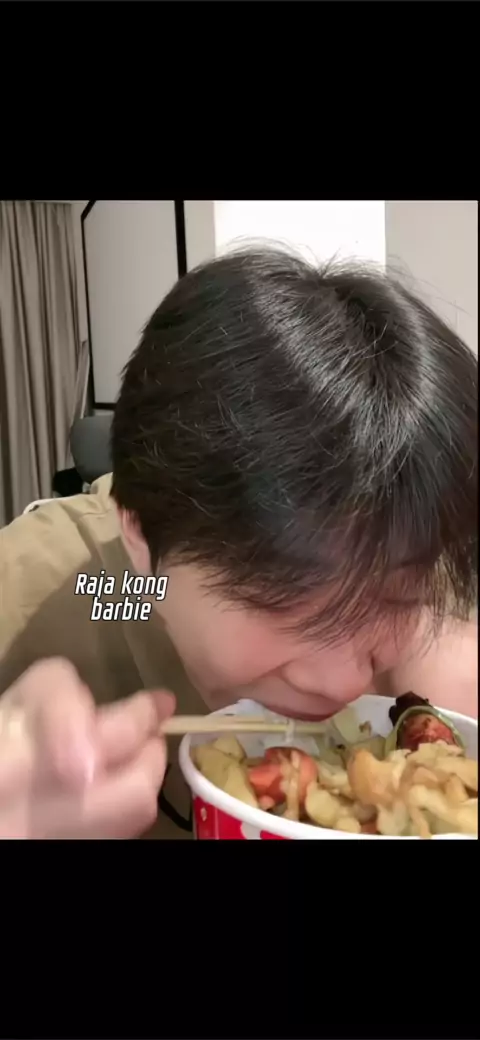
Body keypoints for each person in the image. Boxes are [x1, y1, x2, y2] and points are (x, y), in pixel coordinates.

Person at [0, 247, 477, 839]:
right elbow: (113, 596)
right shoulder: (76, 589)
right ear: (140, 533)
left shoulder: (434, 585)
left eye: (399, 594)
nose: (344, 683)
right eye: (284, 598)